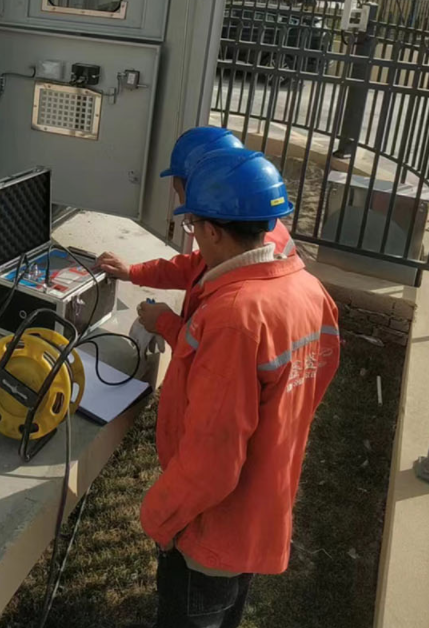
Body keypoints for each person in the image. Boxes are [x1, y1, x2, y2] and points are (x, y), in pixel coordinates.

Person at [120, 148, 340, 628]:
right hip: (262, 508)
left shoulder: (234, 318)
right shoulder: (310, 291)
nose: (194, 236)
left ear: (214, 231)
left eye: (194, 225)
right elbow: (308, 391)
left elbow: (212, 464)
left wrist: (158, 515)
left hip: (210, 529)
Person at [99, 127, 296, 348]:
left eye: (181, 192)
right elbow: (193, 267)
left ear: (207, 185)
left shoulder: (238, 299)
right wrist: (133, 272)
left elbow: (209, 351)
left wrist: (165, 323)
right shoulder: (249, 233)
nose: (182, 204)